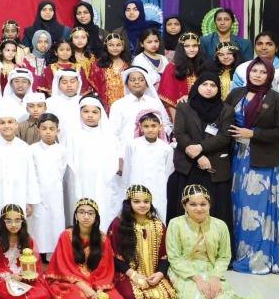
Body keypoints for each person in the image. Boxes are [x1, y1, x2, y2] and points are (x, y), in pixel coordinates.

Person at [231, 32, 279, 246]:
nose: (264, 47)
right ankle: (247, 228)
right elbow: (237, 102)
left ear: (277, 47)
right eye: (259, 44)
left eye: (269, 44)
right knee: (247, 184)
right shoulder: (243, 69)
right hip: (245, 139)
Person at [226, 58, 279, 275]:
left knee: (255, 211)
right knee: (237, 208)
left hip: (261, 161)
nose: (257, 75)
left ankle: (257, 260)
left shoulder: (278, 100)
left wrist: (253, 134)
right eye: (254, 70)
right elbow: (223, 119)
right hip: (236, 158)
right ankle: (238, 255)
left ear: (270, 75)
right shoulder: (237, 94)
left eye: (263, 72)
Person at [167, 185, 269, 299]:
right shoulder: (175, 224)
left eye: (203, 204)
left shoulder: (220, 225)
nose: (199, 208)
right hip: (184, 271)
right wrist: (198, 280)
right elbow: (174, 257)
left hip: (211, 269)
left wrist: (215, 278)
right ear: (184, 205)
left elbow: (224, 256)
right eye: (193, 204)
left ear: (209, 204)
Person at [169, 72, 233, 223]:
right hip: (188, 166)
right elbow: (180, 133)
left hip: (215, 167)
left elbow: (225, 136)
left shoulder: (226, 110)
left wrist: (200, 147)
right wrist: (198, 156)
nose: (208, 88)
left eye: (213, 85)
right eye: (204, 84)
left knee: (216, 213)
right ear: (197, 86)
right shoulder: (185, 107)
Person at [45, 199, 126, 299]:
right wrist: (85, 289)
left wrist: (98, 290)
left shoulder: (103, 238)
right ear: (76, 216)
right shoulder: (66, 235)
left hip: (97, 282)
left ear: (96, 217)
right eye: (82, 212)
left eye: (90, 213)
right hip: (72, 283)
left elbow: (105, 269)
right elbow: (64, 267)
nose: (86, 216)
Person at [108, 187, 177, 299]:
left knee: (169, 295)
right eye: (137, 201)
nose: (142, 205)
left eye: (146, 201)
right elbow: (114, 256)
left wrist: (159, 274)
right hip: (127, 274)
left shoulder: (158, 224)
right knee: (133, 296)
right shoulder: (119, 223)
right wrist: (134, 275)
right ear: (129, 203)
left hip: (153, 274)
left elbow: (165, 254)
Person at [0, 205, 50, 299]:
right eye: (9, 221)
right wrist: (9, 276)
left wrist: (26, 275)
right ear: (3, 221)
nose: (13, 225)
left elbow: (33, 265)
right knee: (7, 292)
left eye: (17, 221)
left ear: (22, 221)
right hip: (2, 279)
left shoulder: (27, 240)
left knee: (43, 295)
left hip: (22, 277)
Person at [69, 97, 122, 230]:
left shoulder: (108, 136)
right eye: (86, 111)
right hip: (80, 183)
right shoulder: (73, 135)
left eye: (94, 112)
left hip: (104, 185)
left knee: (103, 211)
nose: (90, 115)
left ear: (101, 114)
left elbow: (113, 163)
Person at [0, 105, 39, 224]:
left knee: (19, 227)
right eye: (2, 123)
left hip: (20, 195)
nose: (7, 126)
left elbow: (31, 176)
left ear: (16, 124)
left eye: (10, 122)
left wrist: (29, 201)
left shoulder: (24, 147)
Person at [122, 111, 175, 217]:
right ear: (141, 128)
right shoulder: (133, 145)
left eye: (153, 126)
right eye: (146, 126)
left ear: (160, 127)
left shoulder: (166, 149)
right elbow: (127, 169)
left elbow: (167, 171)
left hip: (157, 188)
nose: (150, 129)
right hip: (135, 185)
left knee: (157, 215)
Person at [28, 114, 66, 256]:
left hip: (55, 194)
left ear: (58, 131)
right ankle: (36, 256)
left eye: (51, 128)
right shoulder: (31, 149)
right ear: (38, 130)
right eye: (44, 128)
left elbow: (61, 171)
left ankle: (53, 257)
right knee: (37, 227)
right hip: (37, 194)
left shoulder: (62, 150)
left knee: (54, 223)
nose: (48, 132)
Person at [109, 66, 172, 148]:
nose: (137, 82)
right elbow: (113, 132)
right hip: (126, 151)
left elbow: (165, 124)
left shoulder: (154, 103)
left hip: (153, 150)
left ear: (147, 83)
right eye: (133, 80)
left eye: (141, 80)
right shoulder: (118, 105)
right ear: (126, 83)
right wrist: (119, 156)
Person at [158, 32, 205, 118]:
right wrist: (176, 123)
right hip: (179, 114)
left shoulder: (203, 66)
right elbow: (169, 100)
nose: (191, 49)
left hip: (201, 113)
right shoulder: (172, 68)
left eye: (194, 46)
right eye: (187, 46)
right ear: (181, 48)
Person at [90, 33, 131, 108]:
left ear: (123, 47)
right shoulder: (98, 65)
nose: (115, 48)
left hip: (125, 104)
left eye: (118, 45)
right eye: (111, 45)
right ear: (106, 47)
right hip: (105, 105)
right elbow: (94, 86)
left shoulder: (128, 65)